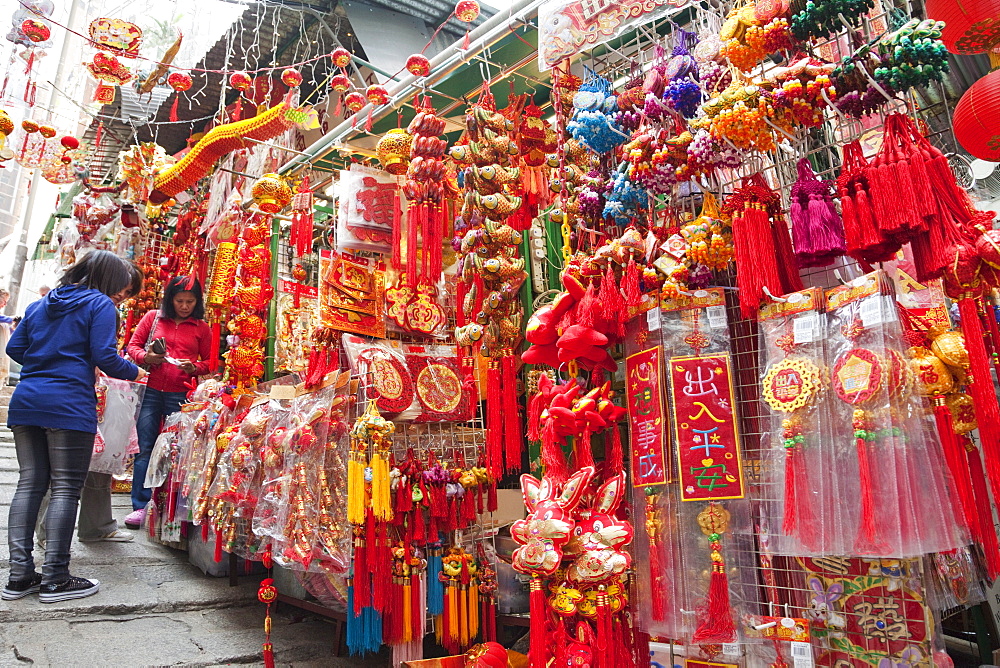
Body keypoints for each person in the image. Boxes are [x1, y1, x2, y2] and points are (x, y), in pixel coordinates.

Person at [4, 250, 146, 603]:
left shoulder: (40, 304)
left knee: (30, 483)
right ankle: (55, 577)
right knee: (67, 488)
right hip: (68, 403)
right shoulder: (100, 305)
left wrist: (47, 361)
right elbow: (105, 356)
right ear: (107, 279)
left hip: (28, 400)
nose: (120, 294)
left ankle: (19, 575)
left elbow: (15, 347)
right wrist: (137, 371)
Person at [125, 275, 212, 529]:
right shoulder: (153, 318)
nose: (184, 306)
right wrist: (147, 357)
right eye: (179, 301)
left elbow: (210, 362)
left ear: (197, 302)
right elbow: (132, 346)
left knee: (177, 450)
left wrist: (193, 367)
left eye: (189, 301)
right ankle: (141, 506)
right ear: (170, 300)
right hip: (150, 390)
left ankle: (170, 506)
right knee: (145, 448)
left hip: (180, 394)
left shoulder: (201, 328)